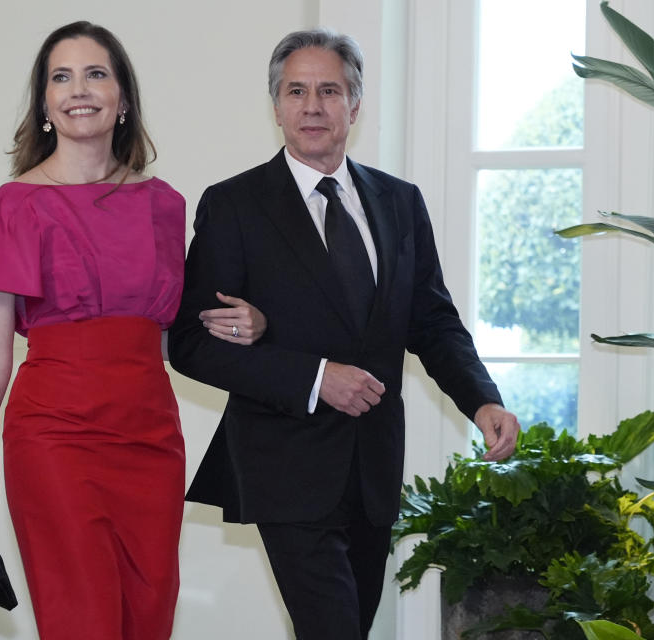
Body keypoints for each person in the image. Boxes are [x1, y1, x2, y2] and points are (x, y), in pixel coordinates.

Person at [168, 28, 521, 639]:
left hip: (372, 468)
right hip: (284, 467)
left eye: (329, 90)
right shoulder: (234, 206)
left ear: (355, 106)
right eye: (296, 91)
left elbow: (432, 320)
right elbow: (192, 344)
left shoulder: (400, 202)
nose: (312, 106)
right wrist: (313, 377)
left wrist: (481, 397)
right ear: (275, 104)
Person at [0, 21, 266, 640]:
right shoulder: (9, 208)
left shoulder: (164, 204)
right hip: (54, 438)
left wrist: (247, 326)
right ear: (43, 102)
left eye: (96, 74)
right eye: (61, 77)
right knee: (81, 621)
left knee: (147, 622)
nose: (78, 90)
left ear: (123, 98)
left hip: (151, 439)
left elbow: (169, 334)